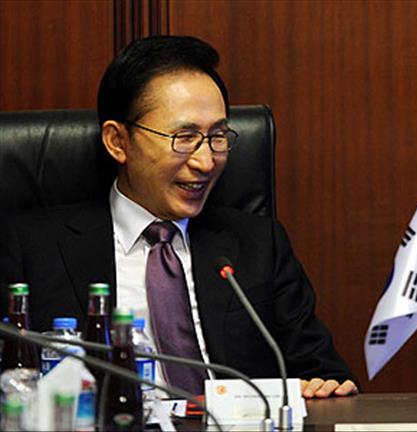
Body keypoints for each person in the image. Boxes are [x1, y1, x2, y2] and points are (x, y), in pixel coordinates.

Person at [0, 35, 357, 398]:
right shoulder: (30, 248)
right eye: (184, 137)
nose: (206, 162)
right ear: (118, 142)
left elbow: (324, 375)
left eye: (218, 136)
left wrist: (325, 389)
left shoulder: (259, 244)